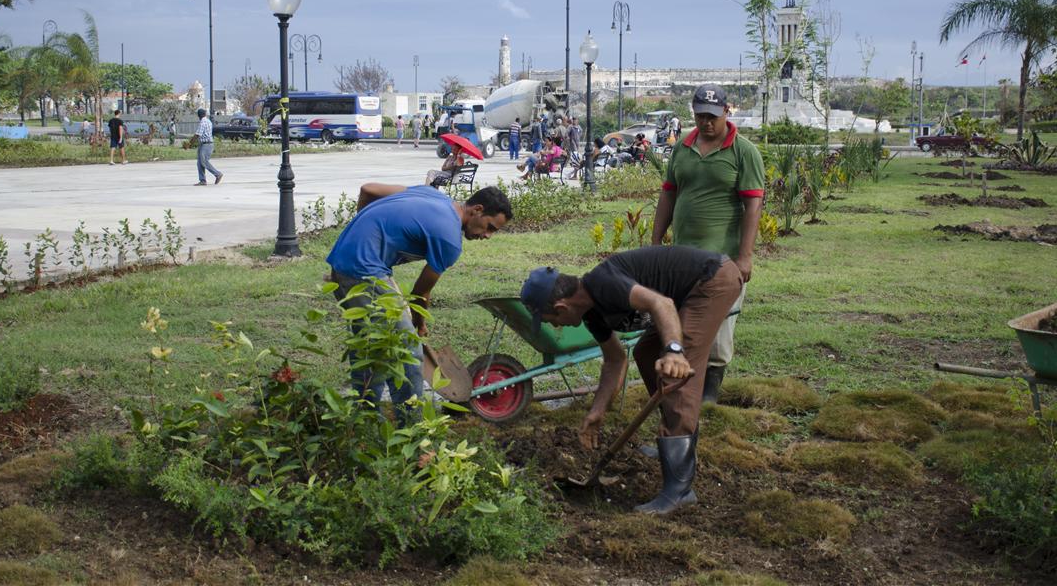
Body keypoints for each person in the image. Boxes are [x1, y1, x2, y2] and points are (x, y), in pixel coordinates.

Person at [521, 245, 743, 514]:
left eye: (551, 320)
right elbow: (616, 360)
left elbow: (662, 304)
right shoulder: (592, 312)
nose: (557, 326)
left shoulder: (604, 283)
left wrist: (674, 350)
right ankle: (677, 442)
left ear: (561, 306)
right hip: (690, 290)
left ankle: (680, 490)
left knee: (675, 376)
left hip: (711, 280)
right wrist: (597, 411)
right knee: (646, 351)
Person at [327, 184, 513, 422]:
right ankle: (412, 429)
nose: (487, 236)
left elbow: (368, 190)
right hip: (364, 269)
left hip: (345, 258)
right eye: (490, 228)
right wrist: (419, 324)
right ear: (477, 210)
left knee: (371, 344)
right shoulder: (449, 240)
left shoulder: (433, 195)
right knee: (408, 350)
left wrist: (362, 238)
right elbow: (420, 293)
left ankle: (364, 418)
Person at [651, 84, 764, 403]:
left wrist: (745, 256)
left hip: (723, 262)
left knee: (718, 337)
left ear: (726, 112)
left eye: (713, 116)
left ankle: (708, 400)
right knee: (681, 329)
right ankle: (682, 397)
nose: (706, 123)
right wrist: (656, 242)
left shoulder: (744, 151)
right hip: (682, 260)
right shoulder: (682, 147)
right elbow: (668, 194)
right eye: (700, 116)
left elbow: (753, 205)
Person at [194, 108, 223, 186]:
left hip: (206, 144)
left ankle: (217, 174)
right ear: (205, 114)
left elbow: (198, 134)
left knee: (204, 161)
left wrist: (190, 143)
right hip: (204, 144)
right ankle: (202, 180)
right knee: (199, 163)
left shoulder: (203, 122)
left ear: (198, 115)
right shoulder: (208, 121)